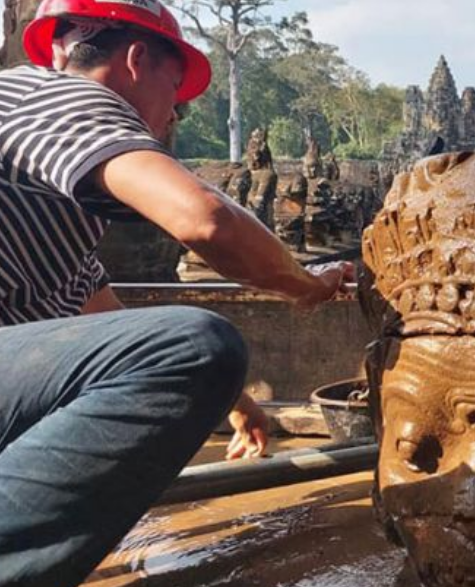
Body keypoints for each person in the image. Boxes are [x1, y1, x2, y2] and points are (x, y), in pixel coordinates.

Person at [0, 0, 352, 584]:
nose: (171, 119)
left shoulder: (51, 210)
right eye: (177, 96)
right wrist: (305, 284)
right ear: (137, 59)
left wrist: (231, 399)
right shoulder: (60, 95)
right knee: (196, 342)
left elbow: (94, 313)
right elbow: (205, 219)